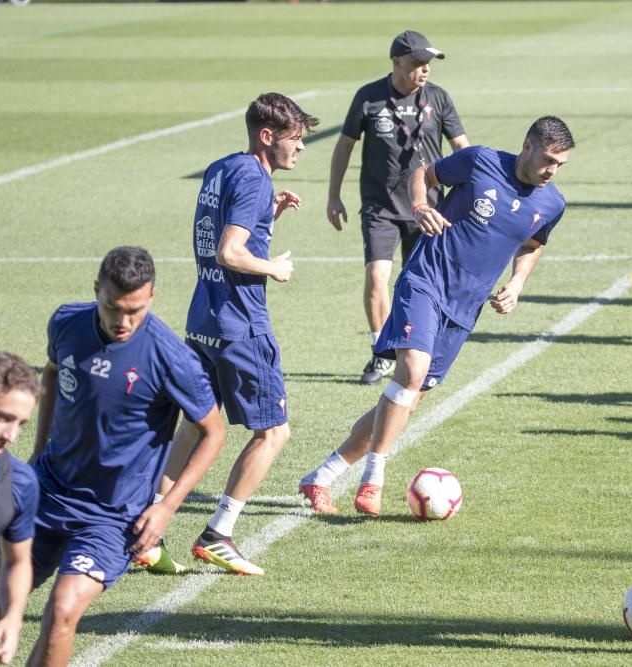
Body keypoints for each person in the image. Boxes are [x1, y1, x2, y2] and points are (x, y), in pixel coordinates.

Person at [300, 116, 573, 516]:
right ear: (527, 147)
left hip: (465, 308)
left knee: (404, 401)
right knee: (410, 373)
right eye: (548, 159)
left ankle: (321, 476)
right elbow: (422, 173)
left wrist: (516, 284)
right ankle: (372, 480)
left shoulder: (553, 203)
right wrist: (420, 205)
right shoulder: (479, 161)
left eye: (560, 164)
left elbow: (533, 244)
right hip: (426, 280)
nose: (552, 170)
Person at [26, 247, 225, 667]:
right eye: (113, 307)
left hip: (112, 516)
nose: (123, 321)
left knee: (62, 611)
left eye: (135, 309)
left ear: (152, 295)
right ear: (97, 290)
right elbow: (51, 371)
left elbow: (213, 432)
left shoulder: (172, 358)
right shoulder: (66, 323)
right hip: (48, 494)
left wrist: (166, 507)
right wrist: (38, 452)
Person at [150, 93, 319, 577]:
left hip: (204, 317)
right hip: (241, 325)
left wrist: (269, 214)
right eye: (295, 139)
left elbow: (224, 231)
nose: (302, 148)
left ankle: (148, 530)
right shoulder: (253, 180)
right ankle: (218, 533)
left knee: (195, 424)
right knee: (274, 432)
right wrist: (275, 267)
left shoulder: (223, 167)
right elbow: (230, 251)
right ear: (268, 136)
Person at [326, 30, 470, 385]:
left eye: (428, 64)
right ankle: (381, 353)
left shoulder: (438, 98)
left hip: (428, 208)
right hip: (381, 208)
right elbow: (344, 146)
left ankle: (418, 351)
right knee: (377, 277)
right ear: (396, 62)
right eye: (418, 63)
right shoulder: (369, 97)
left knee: (421, 283)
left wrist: (473, 193)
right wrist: (333, 195)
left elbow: (462, 147)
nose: (425, 70)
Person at [0, 352, 40, 665]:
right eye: (2, 417)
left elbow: (16, 561)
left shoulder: (20, 483)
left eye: (20, 423)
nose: (11, 435)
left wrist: (12, 617)